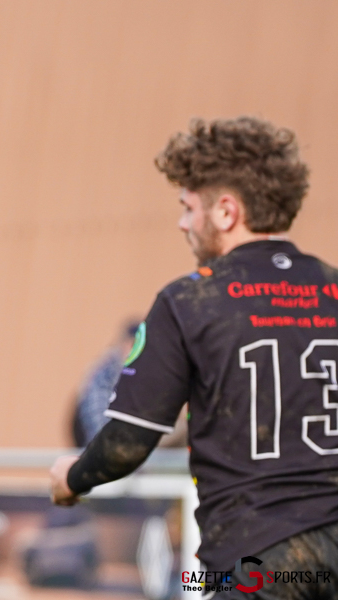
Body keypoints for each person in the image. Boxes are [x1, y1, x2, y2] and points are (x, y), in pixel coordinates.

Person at [50, 117, 338, 599]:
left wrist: (73, 477)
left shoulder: (189, 301)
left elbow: (128, 439)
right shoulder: (332, 289)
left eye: (188, 207)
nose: (182, 222)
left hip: (257, 559)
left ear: (226, 211)